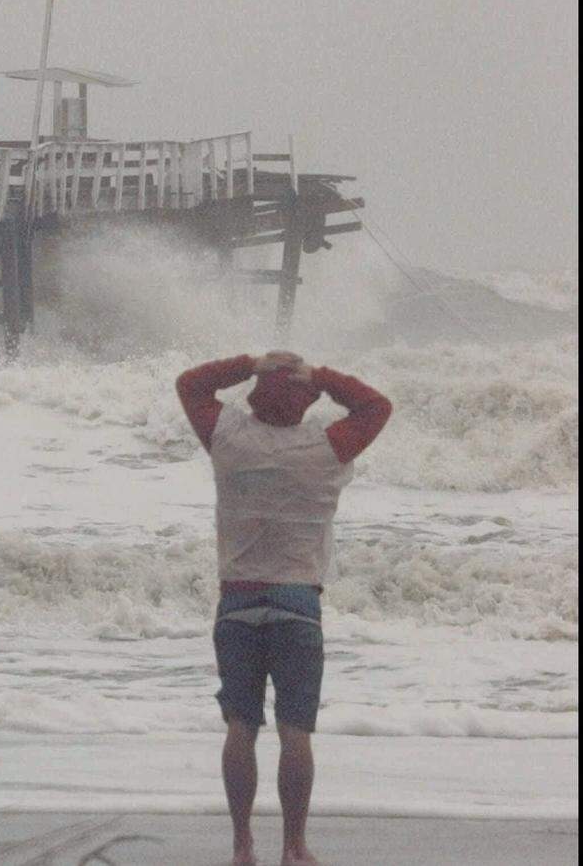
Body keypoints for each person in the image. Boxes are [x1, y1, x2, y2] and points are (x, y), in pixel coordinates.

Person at [175, 351, 392, 866]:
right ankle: (293, 846)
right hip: (297, 601)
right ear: (306, 402)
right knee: (295, 730)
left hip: (238, 600)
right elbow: (376, 406)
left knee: (241, 727)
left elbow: (190, 384)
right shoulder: (326, 446)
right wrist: (320, 375)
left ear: (253, 397)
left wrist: (248, 362)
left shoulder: (227, 438)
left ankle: (242, 845)